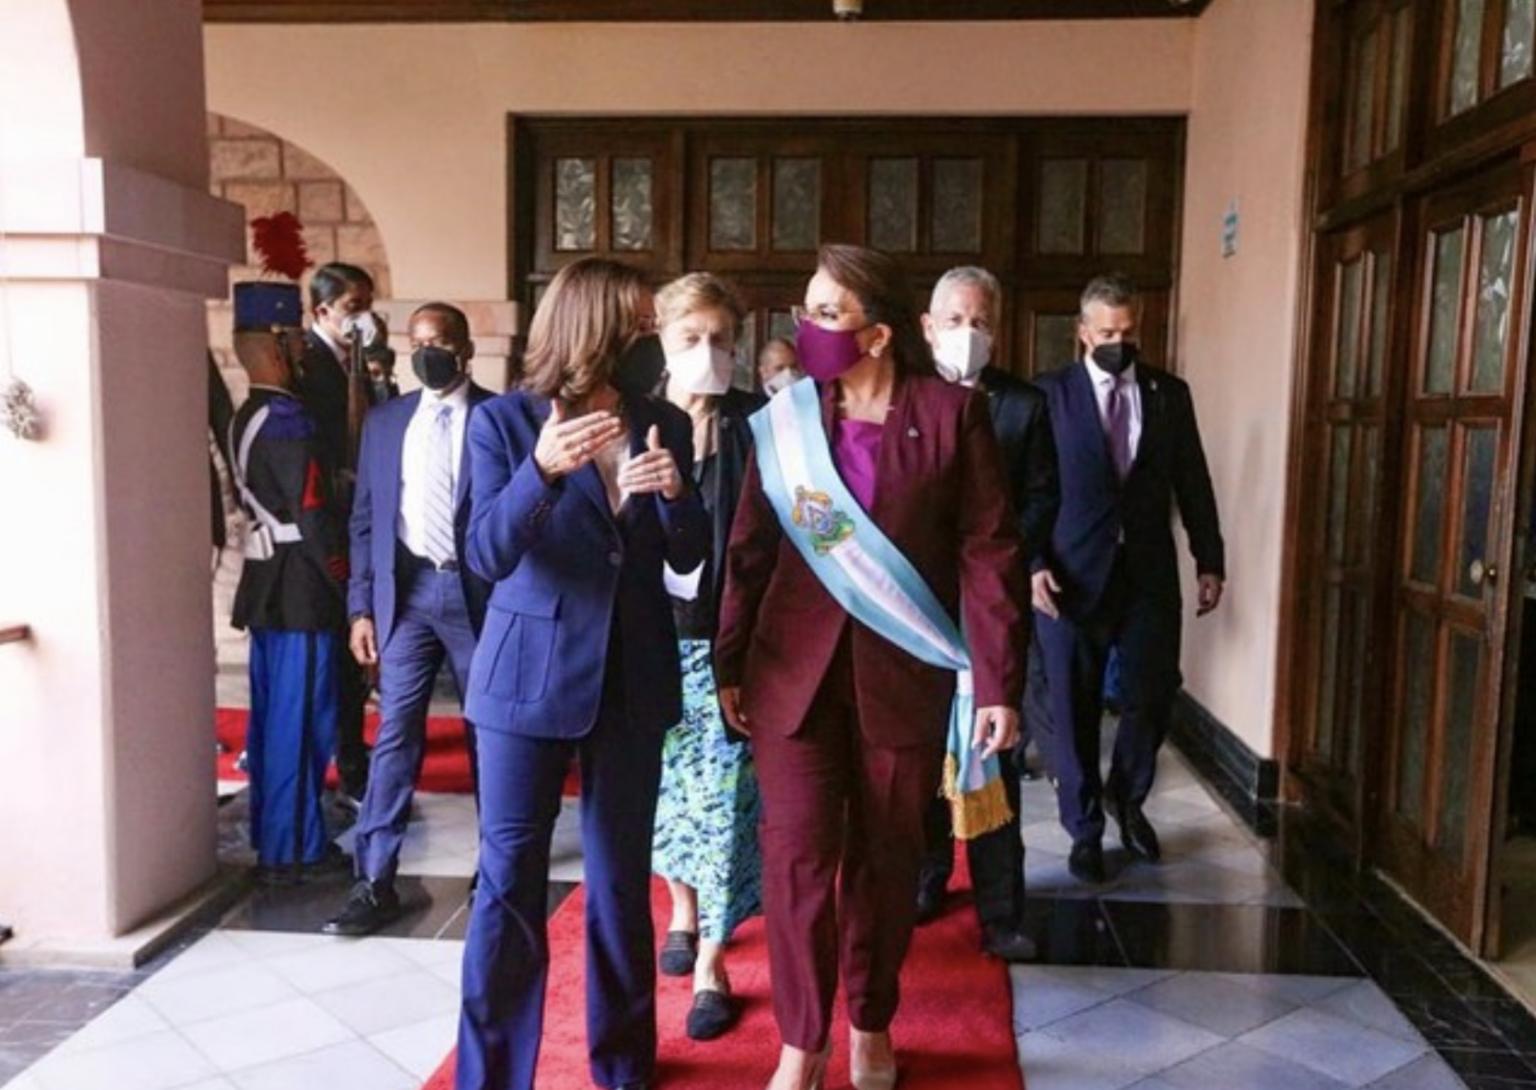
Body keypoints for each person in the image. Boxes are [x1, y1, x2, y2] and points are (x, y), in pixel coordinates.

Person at [716, 244, 1025, 1090]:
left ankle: (872, 1019)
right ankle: (801, 1039)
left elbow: (990, 550)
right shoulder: (785, 423)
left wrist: (998, 682)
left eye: (827, 314)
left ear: (879, 334)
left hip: (902, 675)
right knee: (797, 860)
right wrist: (728, 662)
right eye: (806, 311)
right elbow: (748, 550)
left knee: (887, 862)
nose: (808, 328)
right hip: (790, 679)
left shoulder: (953, 415)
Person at [454, 257, 708, 1090]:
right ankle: (492, 1076)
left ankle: (624, 1068)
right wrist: (541, 472)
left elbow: (688, 554)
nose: (651, 341)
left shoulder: (663, 418)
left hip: (632, 674)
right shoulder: (503, 423)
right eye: (639, 326)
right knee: (508, 882)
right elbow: (485, 553)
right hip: (526, 678)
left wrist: (676, 496)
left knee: (620, 881)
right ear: (592, 329)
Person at [1031, 273, 1226, 885]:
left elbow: (1192, 479)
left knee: (1152, 691)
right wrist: (1032, 563)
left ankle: (1128, 799)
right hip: (1069, 576)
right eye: (1107, 333)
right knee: (1073, 705)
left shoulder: (1170, 395)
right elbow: (1027, 491)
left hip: (1146, 573)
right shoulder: (1049, 396)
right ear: (1083, 333)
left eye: (1128, 332)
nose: (1119, 343)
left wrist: (1210, 558)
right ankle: (1084, 829)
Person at [322, 303, 493, 937]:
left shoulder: (501, 416)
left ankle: (495, 868)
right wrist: (360, 607)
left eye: (439, 342)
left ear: (465, 348)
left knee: (488, 734)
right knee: (396, 733)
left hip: (479, 596)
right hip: (408, 595)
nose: (428, 354)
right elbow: (366, 520)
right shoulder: (386, 421)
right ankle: (374, 880)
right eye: (417, 342)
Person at [915, 265, 1058, 962]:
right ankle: (925, 879)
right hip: (916, 604)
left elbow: (1042, 496)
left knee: (993, 749)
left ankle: (1002, 912)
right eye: (954, 321)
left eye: (979, 322)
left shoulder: (1024, 406)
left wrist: (992, 555)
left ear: (996, 331)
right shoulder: (906, 398)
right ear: (927, 327)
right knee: (921, 751)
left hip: (989, 604)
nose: (966, 333)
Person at [648, 273, 765, 1042]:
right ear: (662, 340)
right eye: (691, 337)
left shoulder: (760, 424)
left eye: (721, 338)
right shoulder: (636, 421)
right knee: (667, 793)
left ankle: (713, 961)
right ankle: (682, 914)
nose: (707, 351)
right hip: (652, 641)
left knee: (725, 802)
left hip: (733, 647)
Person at [226, 281, 349, 883]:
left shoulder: (247, 414)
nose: (303, 348)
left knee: (273, 718)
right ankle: (294, 847)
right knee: (300, 725)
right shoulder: (288, 420)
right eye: (296, 338)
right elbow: (315, 515)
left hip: (267, 585)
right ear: (276, 346)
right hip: (301, 587)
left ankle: (275, 834)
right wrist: (346, 584)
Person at [295, 262, 378, 809]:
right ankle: (347, 764)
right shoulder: (309, 365)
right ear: (322, 310)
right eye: (353, 308)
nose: (364, 318)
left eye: (367, 306)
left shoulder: (356, 362)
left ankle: (353, 752)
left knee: (355, 654)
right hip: (326, 523)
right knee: (338, 653)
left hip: (356, 514)